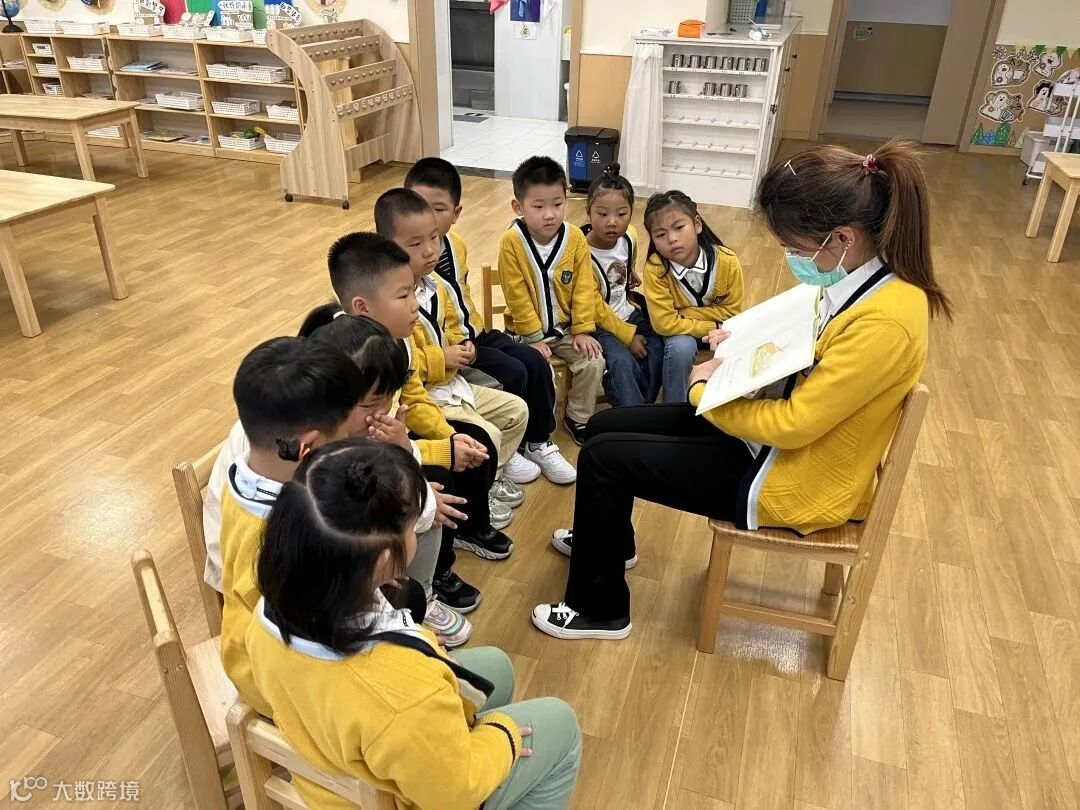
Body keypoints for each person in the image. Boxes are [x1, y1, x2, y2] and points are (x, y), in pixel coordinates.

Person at [532, 140, 949, 640]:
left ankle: (600, 610)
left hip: (789, 477)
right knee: (605, 426)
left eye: (796, 248)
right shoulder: (863, 279)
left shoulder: (886, 322)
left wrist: (703, 392)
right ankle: (608, 544)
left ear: (842, 236)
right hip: (772, 443)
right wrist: (743, 343)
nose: (792, 257)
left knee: (604, 459)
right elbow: (803, 344)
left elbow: (795, 425)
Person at [247, 438, 582, 810]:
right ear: (381, 560)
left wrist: (416, 641)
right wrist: (503, 736)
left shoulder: (266, 615)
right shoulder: (404, 695)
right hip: (408, 793)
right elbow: (456, 793)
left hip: (331, 759)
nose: (415, 535)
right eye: (411, 528)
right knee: (561, 723)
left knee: (496, 666)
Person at [328, 231, 511, 610]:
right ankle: (426, 584)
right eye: (403, 296)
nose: (416, 304)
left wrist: (448, 440)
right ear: (362, 307)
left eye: (413, 291)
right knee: (434, 484)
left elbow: (412, 399)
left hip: (389, 443)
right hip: (361, 469)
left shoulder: (397, 340)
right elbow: (362, 454)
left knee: (465, 448)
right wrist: (437, 455)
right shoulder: (346, 361)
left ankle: (447, 556)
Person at [298, 311, 474, 647]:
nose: (382, 413)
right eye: (370, 405)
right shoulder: (317, 448)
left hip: (351, 563)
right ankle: (410, 601)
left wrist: (402, 446)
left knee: (431, 496)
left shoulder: (349, 425)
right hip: (333, 579)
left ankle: (422, 593)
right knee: (427, 503)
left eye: (389, 401)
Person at [218, 336, 367, 714]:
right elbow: (318, 644)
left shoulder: (243, 474)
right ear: (308, 448)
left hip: (246, 648)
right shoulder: (290, 535)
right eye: (344, 438)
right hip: (278, 685)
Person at [404, 157, 575, 486]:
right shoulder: (410, 257)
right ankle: (509, 449)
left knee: (536, 363)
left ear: (456, 213)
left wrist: (471, 333)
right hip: (450, 347)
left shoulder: (456, 245)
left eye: (438, 209)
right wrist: (452, 347)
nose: (428, 217)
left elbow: (459, 296)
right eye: (419, 206)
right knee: (514, 372)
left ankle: (537, 441)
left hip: (475, 333)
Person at [375, 187, 530, 527]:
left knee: (517, 410)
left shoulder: (436, 285)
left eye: (434, 238)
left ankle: (491, 476)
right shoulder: (388, 303)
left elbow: (454, 323)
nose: (430, 250)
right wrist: (441, 358)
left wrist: (463, 345)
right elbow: (407, 369)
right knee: (487, 434)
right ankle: (479, 490)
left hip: (453, 384)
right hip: (429, 395)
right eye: (415, 244)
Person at [498, 155, 634, 445]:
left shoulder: (574, 238)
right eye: (538, 207)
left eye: (557, 204)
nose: (549, 214)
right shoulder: (512, 242)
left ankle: (577, 417)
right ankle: (539, 427)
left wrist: (583, 329)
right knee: (540, 371)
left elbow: (584, 289)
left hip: (565, 329)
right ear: (518, 207)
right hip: (524, 334)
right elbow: (516, 294)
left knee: (593, 360)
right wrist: (534, 337)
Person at [641, 190, 745, 402]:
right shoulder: (655, 269)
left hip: (719, 331)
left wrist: (684, 313)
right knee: (681, 348)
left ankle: (721, 405)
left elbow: (731, 314)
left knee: (741, 342)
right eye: (660, 235)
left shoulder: (727, 261)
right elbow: (664, 324)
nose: (672, 239)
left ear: (697, 224)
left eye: (679, 227)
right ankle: (675, 409)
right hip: (683, 334)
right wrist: (713, 324)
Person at [582, 163, 664, 407]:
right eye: (602, 214)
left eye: (621, 214)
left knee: (658, 346)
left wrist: (631, 272)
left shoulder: (630, 236)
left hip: (628, 312)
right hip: (598, 324)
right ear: (588, 211)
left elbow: (628, 257)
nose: (612, 222)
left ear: (631, 212)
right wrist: (629, 338)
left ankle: (641, 408)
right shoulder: (581, 254)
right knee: (621, 361)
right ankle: (633, 415)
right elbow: (594, 308)